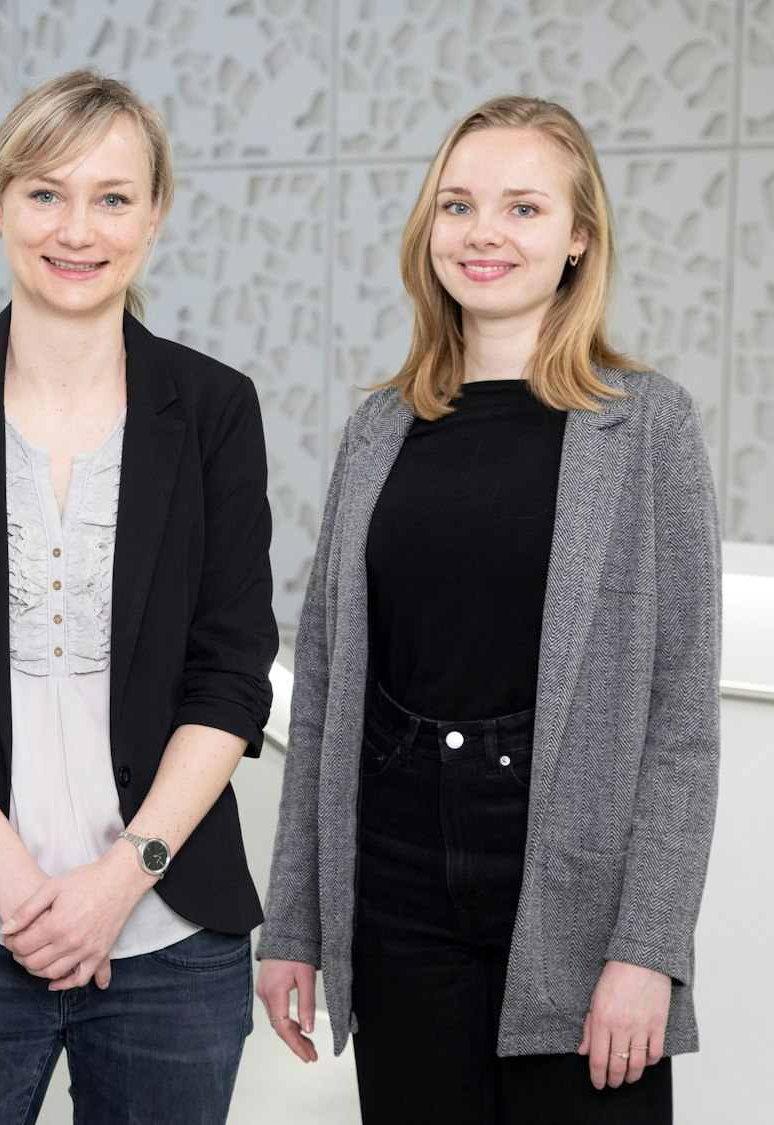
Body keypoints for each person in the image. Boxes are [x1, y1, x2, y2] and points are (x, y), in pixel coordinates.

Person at [257, 95, 720, 1125]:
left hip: (571, 881)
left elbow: (680, 722)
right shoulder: (376, 428)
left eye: (521, 208)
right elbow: (324, 691)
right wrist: (291, 919)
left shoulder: (646, 426)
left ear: (576, 238)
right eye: (456, 205)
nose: (482, 234)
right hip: (398, 878)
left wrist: (646, 950)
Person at [0, 69, 278, 1125]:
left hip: (170, 937)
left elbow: (229, 677)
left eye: (111, 198)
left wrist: (114, 883)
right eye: (43, 193)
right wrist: (24, 887)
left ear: (154, 216)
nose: (75, 228)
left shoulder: (214, 409)